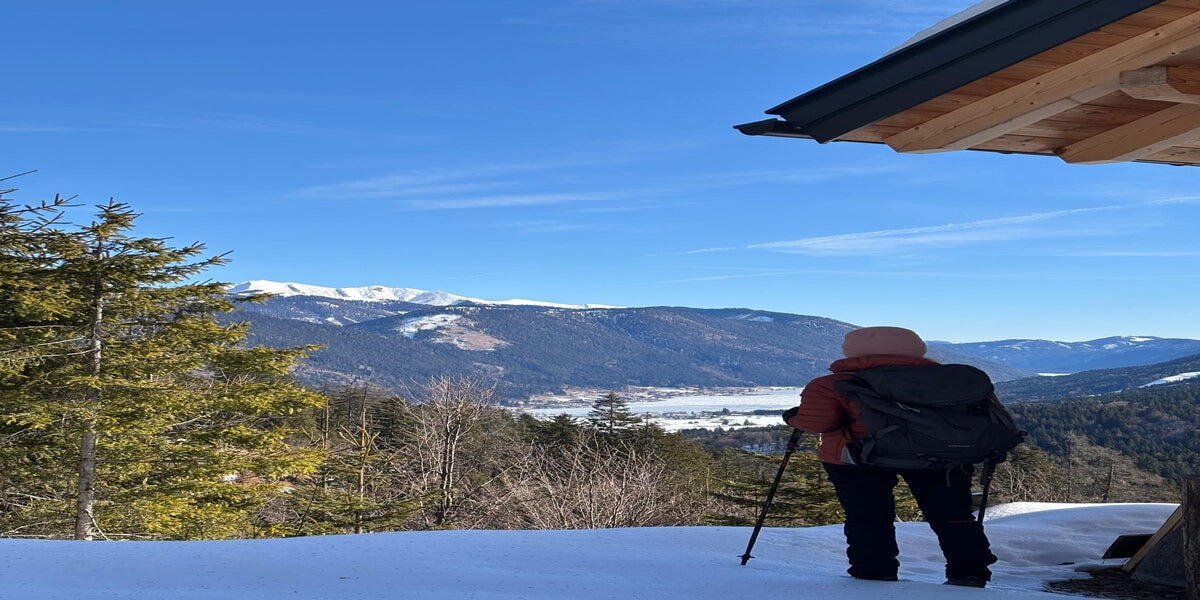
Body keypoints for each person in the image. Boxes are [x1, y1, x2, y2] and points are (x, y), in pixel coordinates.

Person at [783, 326, 998, 588]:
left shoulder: (831, 384)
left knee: (868, 517)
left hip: (859, 459)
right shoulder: (952, 380)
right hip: (943, 455)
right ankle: (970, 572)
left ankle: (874, 574)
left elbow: (819, 423)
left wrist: (792, 418)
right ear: (917, 349)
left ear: (851, 352)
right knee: (952, 514)